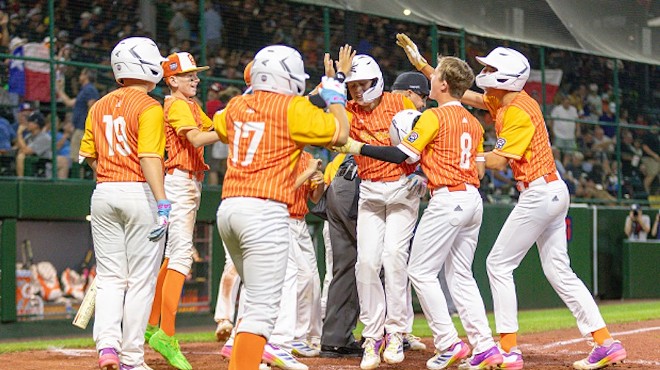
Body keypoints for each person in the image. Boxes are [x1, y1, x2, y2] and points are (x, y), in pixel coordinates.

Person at [398, 34, 628, 370]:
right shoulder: (506, 100)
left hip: (539, 193)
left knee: (498, 265)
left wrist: (457, 156)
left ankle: (508, 349)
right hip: (551, 191)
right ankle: (604, 341)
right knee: (559, 271)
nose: (485, 71)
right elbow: (467, 98)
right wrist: (422, 65)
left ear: (505, 75)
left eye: (491, 67)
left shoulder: (517, 110)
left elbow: (497, 162)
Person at [336, 55, 503, 370]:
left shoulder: (431, 117)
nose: (428, 82)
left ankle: (446, 341)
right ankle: (485, 346)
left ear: (442, 84)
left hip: (444, 197)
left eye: (433, 75)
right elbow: (481, 170)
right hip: (471, 198)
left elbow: (402, 153)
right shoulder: (474, 122)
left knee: (418, 271)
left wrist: (357, 148)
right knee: (459, 275)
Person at [210, 45, 350, 370]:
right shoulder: (292, 108)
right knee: (264, 306)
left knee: (255, 296)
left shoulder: (235, 104)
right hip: (266, 211)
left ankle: (247, 356)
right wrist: (336, 96)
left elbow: (218, 126)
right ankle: (253, 358)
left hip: (229, 208)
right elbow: (340, 134)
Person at [78, 36, 170, 370]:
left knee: (110, 277)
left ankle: (107, 348)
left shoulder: (98, 105)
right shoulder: (150, 106)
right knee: (141, 281)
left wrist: (109, 175)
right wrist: (162, 202)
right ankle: (131, 356)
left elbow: (88, 155)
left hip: (103, 191)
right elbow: (148, 157)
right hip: (137, 194)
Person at [339, 53, 419, 370]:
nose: (357, 90)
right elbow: (320, 111)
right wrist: (333, 79)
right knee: (367, 263)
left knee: (395, 258)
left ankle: (396, 331)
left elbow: (419, 142)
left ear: (376, 81)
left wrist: (422, 173)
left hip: (402, 188)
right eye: (352, 85)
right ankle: (372, 337)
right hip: (370, 189)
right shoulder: (347, 110)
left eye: (362, 84)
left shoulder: (401, 104)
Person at [144, 51, 213, 370]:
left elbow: (216, 126)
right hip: (180, 181)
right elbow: (199, 138)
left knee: (174, 256)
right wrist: (238, 124)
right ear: (171, 80)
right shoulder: (176, 104)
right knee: (182, 256)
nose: (196, 79)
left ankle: (151, 321)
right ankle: (166, 333)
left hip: (189, 181)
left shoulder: (190, 104)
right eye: (189, 75)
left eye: (195, 74)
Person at [56, 68, 99, 177]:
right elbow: (70, 103)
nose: (80, 76)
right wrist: (60, 90)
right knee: (77, 158)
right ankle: (79, 181)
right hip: (79, 128)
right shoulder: (84, 90)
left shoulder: (89, 89)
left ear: (86, 76)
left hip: (83, 129)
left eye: (81, 74)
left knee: (83, 158)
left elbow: (92, 108)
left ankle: (85, 182)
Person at [15, 111, 51, 177]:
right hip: (33, 166)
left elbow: (25, 151)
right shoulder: (29, 136)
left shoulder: (45, 138)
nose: (27, 124)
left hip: (44, 171)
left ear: (36, 124)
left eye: (29, 122)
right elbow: (18, 147)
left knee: (21, 156)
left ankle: (21, 181)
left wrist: (19, 134)